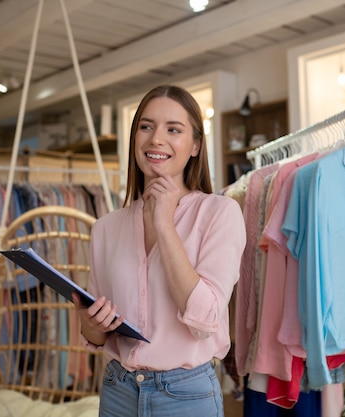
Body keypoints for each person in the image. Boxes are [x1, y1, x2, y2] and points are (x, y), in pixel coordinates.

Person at [72, 84, 247, 416]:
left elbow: (205, 320)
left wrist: (164, 224)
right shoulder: (106, 227)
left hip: (186, 396)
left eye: (173, 129)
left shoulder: (220, 214)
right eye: (146, 126)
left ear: (195, 145)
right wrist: (91, 322)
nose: (156, 139)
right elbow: (95, 333)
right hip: (117, 392)